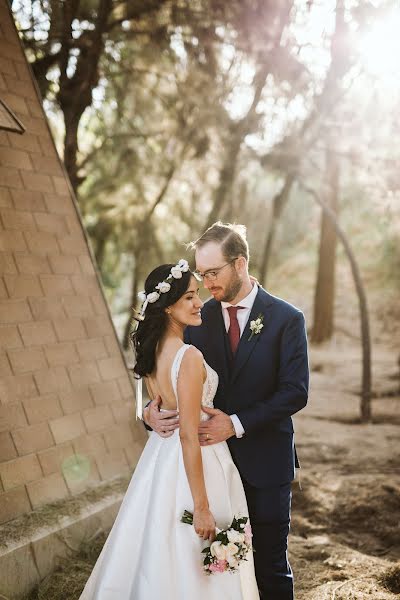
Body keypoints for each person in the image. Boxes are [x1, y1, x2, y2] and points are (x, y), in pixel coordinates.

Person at [144, 223, 309, 600]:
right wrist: (148, 414)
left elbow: (295, 392)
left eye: (212, 273)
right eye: (201, 274)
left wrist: (234, 424)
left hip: (264, 465)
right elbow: (171, 375)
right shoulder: (196, 320)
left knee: (269, 567)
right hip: (211, 472)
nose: (205, 283)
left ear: (240, 263)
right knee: (216, 572)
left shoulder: (287, 319)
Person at [79, 259, 259, 600]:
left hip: (159, 461)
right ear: (166, 307)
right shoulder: (187, 356)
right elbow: (189, 435)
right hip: (196, 462)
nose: (199, 302)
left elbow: (159, 407)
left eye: (197, 294)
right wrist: (202, 506)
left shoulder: (152, 352)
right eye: (190, 297)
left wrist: (149, 413)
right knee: (194, 551)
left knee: (154, 547)